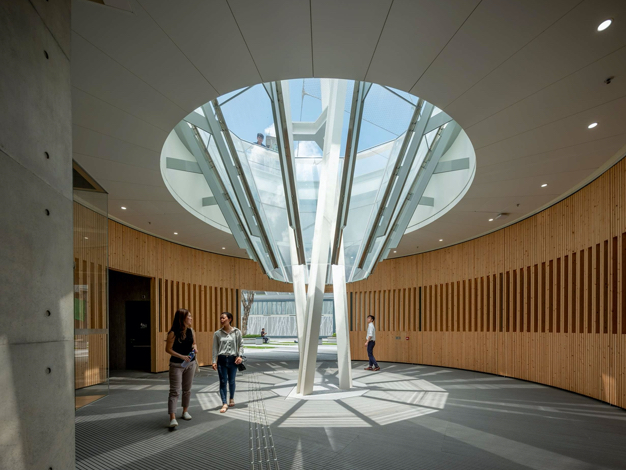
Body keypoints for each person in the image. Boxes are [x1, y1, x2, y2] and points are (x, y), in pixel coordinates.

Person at [165, 308, 197, 428]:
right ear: (182, 318)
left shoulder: (191, 331)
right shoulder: (173, 333)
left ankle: (185, 411)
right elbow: (168, 349)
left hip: (190, 364)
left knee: (187, 389)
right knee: (174, 391)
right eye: (189, 316)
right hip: (176, 365)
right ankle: (172, 417)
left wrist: (195, 349)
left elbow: (194, 343)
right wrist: (182, 356)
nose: (191, 318)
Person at [212, 312, 244, 413]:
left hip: (233, 359)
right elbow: (215, 348)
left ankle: (232, 398)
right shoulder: (217, 333)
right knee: (222, 381)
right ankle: (224, 403)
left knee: (232, 381)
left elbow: (241, 345)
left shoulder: (237, 332)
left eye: (223, 318)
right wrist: (213, 361)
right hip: (221, 360)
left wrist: (240, 356)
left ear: (229, 319)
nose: (221, 320)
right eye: (220, 318)